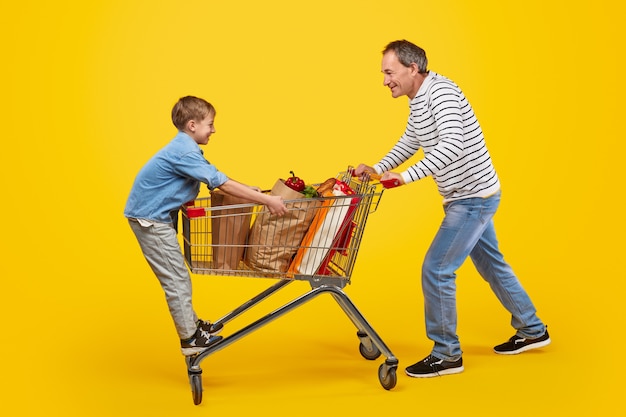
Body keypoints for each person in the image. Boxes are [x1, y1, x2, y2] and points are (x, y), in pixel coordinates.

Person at [355, 40, 550, 378]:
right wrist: (378, 168)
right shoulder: (419, 99)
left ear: (412, 68)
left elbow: (453, 145)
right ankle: (533, 329)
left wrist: (405, 177)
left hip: (472, 198)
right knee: (492, 264)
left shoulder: (441, 93)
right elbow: (410, 141)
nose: (385, 80)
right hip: (471, 195)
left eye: (389, 72)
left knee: (437, 269)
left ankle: (447, 354)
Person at [124, 96, 287, 356]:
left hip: (153, 217)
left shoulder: (184, 149)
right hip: (150, 221)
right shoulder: (184, 152)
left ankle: (193, 327)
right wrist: (267, 200)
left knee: (178, 277)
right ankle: (190, 340)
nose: (213, 130)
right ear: (192, 125)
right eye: (210, 124)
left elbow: (215, 176)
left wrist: (247, 190)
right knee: (176, 278)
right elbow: (221, 183)